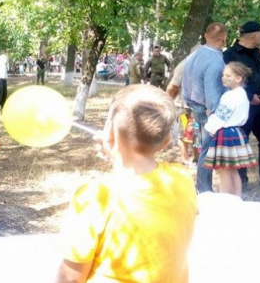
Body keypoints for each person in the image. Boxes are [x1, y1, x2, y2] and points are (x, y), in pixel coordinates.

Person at [55, 85, 197, 283]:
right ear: (166, 142)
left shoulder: (95, 196)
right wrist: (117, 152)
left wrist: (118, 150)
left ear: (110, 131)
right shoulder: (181, 178)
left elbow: (71, 278)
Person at [222, 21, 260, 188]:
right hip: (244, 105)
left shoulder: (258, 54)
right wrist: (250, 97)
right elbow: (228, 79)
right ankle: (241, 181)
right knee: (240, 142)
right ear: (253, 35)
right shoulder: (230, 54)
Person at [182, 23, 228, 193]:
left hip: (195, 107)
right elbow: (212, 94)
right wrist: (217, 115)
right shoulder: (215, 60)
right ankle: (204, 189)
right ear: (223, 39)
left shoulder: (194, 55)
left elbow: (185, 85)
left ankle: (202, 186)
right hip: (207, 110)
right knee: (207, 151)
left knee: (201, 148)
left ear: (205, 35)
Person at [203, 62, 258, 197]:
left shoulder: (229, 96)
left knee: (224, 171)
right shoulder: (242, 94)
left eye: (228, 75)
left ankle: (224, 200)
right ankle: (236, 198)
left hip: (225, 133)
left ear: (238, 78)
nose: (223, 78)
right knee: (233, 170)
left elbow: (221, 117)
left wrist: (209, 126)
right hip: (236, 132)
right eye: (223, 75)